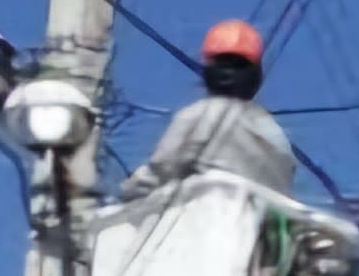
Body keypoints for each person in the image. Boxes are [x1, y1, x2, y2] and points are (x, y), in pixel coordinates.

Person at [118, 19, 296, 200]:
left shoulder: (197, 116)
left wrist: (129, 189)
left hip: (206, 219)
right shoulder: (275, 133)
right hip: (266, 223)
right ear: (256, 75)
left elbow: (160, 171)